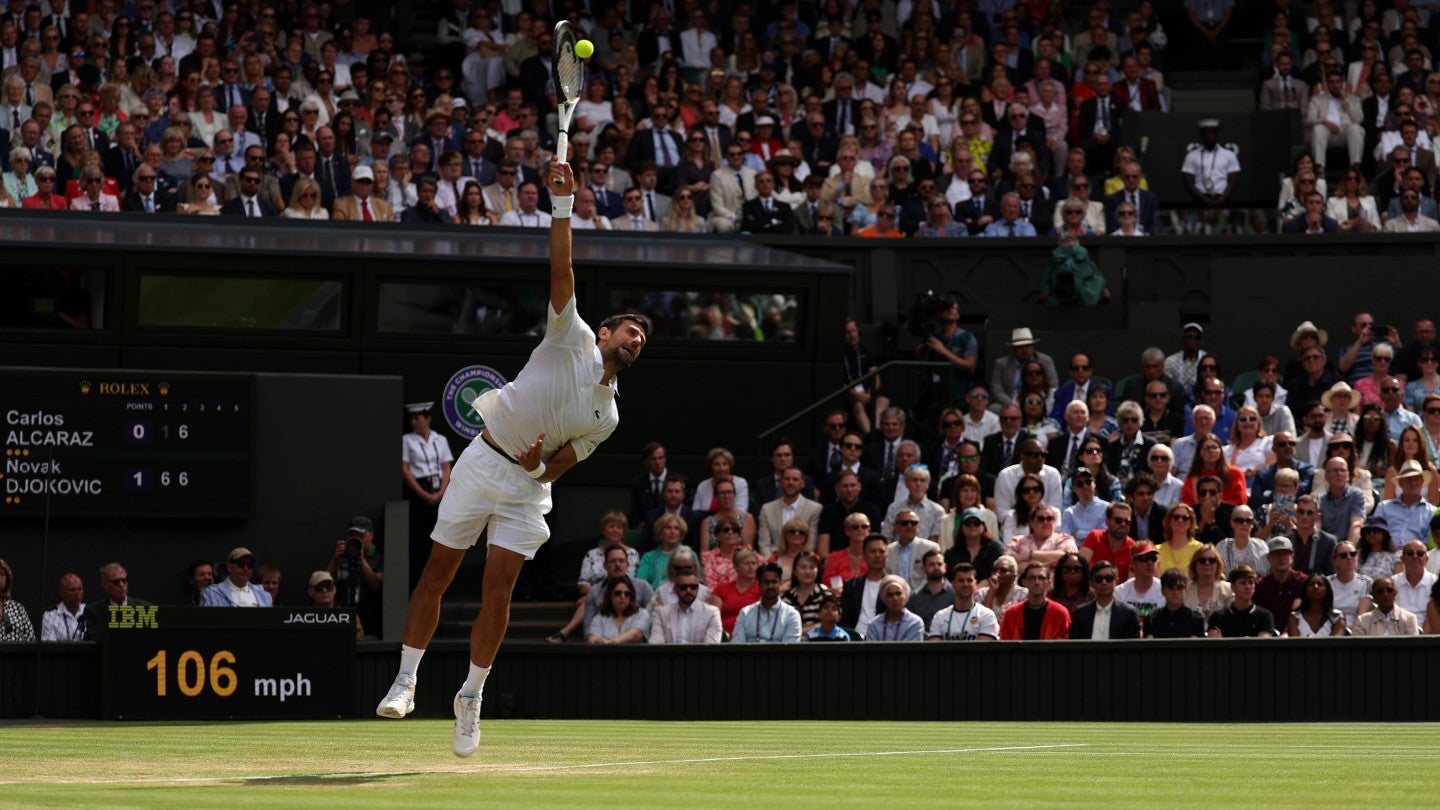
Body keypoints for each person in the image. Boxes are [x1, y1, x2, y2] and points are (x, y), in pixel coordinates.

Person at [375, 161, 650, 756]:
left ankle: (470, 698)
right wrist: (562, 202)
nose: (636, 340)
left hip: (527, 488)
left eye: (643, 341)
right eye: (630, 331)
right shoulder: (570, 334)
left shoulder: (609, 416)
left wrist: (535, 468)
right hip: (482, 461)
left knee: (498, 591)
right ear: (604, 333)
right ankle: (406, 679)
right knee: (438, 571)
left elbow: (560, 466)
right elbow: (562, 266)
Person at [401, 402, 452, 587]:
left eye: (418, 418)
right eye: (412, 419)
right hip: (419, 490)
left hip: (439, 489)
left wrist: (441, 492)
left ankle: (438, 582)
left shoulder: (440, 439)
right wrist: (422, 493)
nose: (414, 422)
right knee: (420, 539)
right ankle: (419, 582)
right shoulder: (407, 440)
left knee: (439, 537)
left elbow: (446, 467)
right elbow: (405, 469)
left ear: (428, 419)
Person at [1069, 560, 1142, 639]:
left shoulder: (1128, 613)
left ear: (1116, 581)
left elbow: (1133, 644)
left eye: (1109, 578)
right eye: (1099, 579)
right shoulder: (1081, 613)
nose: (1104, 582)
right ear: (1092, 583)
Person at [731, 562, 803, 643]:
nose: (770, 586)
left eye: (774, 582)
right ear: (758, 585)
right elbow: (737, 645)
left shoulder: (791, 615)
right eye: (766, 582)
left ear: (780, 584)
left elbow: (790, 648)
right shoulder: (745, 613)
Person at [927, 562, 1000, 641]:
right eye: (961, 580)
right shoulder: (940, 617)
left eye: (969, 580)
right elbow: (934, 647)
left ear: (975, 584)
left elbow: (985, 647)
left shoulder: (986, 615)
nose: (965, 584)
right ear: (953, 584)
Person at [998, 562, 1071, 640]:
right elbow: (1005, 644)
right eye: (1032, 578)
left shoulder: (1060, 613)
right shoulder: (1011, 614)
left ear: (1049, 583)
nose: (1036, 582)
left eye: (1041, 578)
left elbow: (1063, 644)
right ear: (1024, 582)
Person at [650, 570, 722, 644]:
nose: (688, 591)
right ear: (675, 589)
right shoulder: (662, 613)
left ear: (698, 589)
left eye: (693, 587)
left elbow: (711, 647)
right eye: (683, 587)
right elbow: (656, 645)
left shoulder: (712, 613)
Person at [1181, 118, 1240, 208]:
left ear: (1217, 134)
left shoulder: (1229, 155)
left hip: (1223, 199)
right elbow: (1188, 182)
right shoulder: (1191, 155)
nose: (1209, 136)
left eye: (1212, 133)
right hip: (1199, 199)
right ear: (1201, 135)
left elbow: (1233, 181)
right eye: (1206, 133)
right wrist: (1204, 199)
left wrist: (1222, 198)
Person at [1207, 565, 1278, 637]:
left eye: (1251, 582)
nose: (1248, 587)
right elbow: (1215, 642)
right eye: (1243, 583)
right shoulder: (1218, 618)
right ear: (1233, 587)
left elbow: (1263, 642)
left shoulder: (1264, 616)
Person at [840, 534, 890, 631]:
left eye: (881, 551)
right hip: (856, 636)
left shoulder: (893, 586)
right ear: (864, 555)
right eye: (872, 551)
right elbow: (845, 618)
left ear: (887, 555)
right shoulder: (851, 585)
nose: (877, 555)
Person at [707, 548, 762, 635]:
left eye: (753, 563)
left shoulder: (762, 589)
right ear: (735, 567)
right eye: (746, 563)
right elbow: (712, 618)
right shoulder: (722, 589)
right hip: (724, 636)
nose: (751, 567)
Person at [586, 576, 651, 645]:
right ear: (610, 596)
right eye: (618, 593)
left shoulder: (642, 614)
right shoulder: (599, 618)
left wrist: (609, 642)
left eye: (627, 594)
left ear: (631, 597)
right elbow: (592, 639)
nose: (623, 596)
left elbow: (634, 635)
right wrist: (598, 641)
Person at [200, 547, 273, 607]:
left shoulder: (264, 595)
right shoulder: (211, 593)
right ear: (229, 566)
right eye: (241, 564)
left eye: (250, 565)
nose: (246, 568)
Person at [1147, 568, 1207, 638]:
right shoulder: (1151, 619)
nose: (1175, 592)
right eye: (1170, 588)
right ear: (1162, 591)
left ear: (1186, 591)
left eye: (1179, 588)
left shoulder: (1196, 620)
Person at [864, 574, 926, 641]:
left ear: (905, 595)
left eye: (898, 593)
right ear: (884, 598)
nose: (895, 598)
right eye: (890, 595)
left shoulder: (914, 623)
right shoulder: (874, 625)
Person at [1351, 576, 1421, 635]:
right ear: (1374, 597)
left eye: (1389, 590)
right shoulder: (1362, 621)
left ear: (1395, 594)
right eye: (1380, 591)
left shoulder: (1409, 619)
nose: (1385, 594)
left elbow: (1413, 646)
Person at [1218, 504, 1271, 577]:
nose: (1244, 524)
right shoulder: (1222, 546)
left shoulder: (1261, 546)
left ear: (1252, 524)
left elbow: (1267, 574)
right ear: (1232, 523)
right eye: (1239, 520)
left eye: (1248, 521)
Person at [1184, 546, 1234, 619]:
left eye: (1212, 560)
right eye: (1202, 560)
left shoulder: (1228, 589)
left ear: (1217, 565)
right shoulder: (1185, 589)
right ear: (1195, 565)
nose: (1207, 563)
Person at [1395, 540, 1438, 617]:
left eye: (1420, 553)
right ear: (1402, 558)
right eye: (1410, 553)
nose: (1415, 556)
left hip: (1429, 623)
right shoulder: (1393, 582)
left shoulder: (1436, 583)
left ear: (1427, 559)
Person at [40, 572, 86, 642]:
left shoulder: (89, 611)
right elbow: (49, 646)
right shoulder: (50, 616)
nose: (77, 593)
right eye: (72, 589)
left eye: (79, 589)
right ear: (62, 592)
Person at [0, 559, 34, 642]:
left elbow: (30, 638)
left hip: (19, 650)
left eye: (2, 574)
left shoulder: (18, 607)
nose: (1, 578)